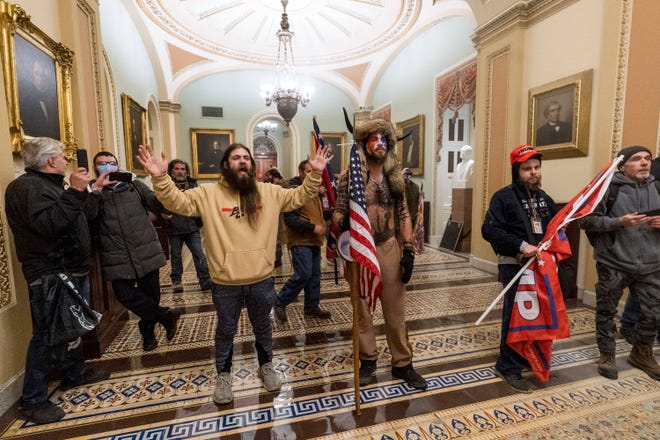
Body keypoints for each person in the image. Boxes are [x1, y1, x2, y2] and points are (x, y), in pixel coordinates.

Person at [136, 142, 332, 405]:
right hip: (225, 282)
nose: (243, 161)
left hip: (261, 279)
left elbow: (299, 195)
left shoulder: (270, 193)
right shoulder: (207, 194)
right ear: (226, 165)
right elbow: (176, 202)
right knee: (226, 329)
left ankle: (266, 366)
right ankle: (224, 375)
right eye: (236, 157)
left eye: (246, 158)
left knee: (263, 326)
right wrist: (160, 177)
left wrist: (316, 173)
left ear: (251, 165)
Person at [5, 137, 109, 424]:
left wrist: (90, 191)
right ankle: (33, 400)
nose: (66, 160)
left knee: (72, 328)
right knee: (45, 336)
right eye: (63, 156)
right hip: (50, 274)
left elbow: (79, 217)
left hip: (71, 270)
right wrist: (75, 192)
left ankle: (74, 374)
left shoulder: (52, 186)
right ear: (50, 160)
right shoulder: (26, 187)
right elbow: (49, 225)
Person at [333, 119, 427, 390]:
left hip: (388, 247)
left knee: (395, 310)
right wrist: (339, 222)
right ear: (363, 144)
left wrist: (408, 250)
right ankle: (368, 359)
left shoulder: (395, 177)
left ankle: (402, 364)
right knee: (362, 310)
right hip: (360, 250)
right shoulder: (348, 177)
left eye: (384, 139)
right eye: (374, 139)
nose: (380, 144)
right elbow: (339, 212)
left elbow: (404, 214)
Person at [83, 151, 180, 352]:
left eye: (111, 163)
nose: (107, 166)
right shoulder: (91, 191)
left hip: (145, 249)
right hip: (116, 254)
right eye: (101, 163)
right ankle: (165, 315)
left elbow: (156, 203)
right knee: (125, 295)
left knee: (151, 296)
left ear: (118, 166)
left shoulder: (134, 186)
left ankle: (148, 335)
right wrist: (97, 190)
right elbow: (89, 216)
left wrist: (164, 189)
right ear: (95, 168)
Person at [578, 146, 660, 381]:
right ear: (623, 165)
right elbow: (585, 220)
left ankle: (642, 354)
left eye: (647, 159)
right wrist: (618, 222)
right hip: (614, 261)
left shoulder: (658, 187)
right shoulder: (607, 188)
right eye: (637, 159)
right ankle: (607, 355)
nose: (644, 163)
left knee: (653, 313)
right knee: (606, 311)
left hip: (652, 264)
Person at [481, 144, 558, 393]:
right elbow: (490, 230)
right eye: (527, 169)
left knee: (537, 315)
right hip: (514, 265)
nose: (533, 173)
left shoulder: (544, 199)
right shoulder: (503, 197)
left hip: (540, 268)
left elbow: (555, 228)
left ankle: (527, 355)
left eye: (537, 168)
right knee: (516, 317)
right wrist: (522, 245)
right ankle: (507, 366)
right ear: (517, 170)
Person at [274, 160, 332, 323]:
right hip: (300, 241)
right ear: (301, 172)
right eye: (308, 171)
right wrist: (313, 227)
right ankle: (280, 301)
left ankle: (311, 307)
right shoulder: (295, 191)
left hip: (314, 241)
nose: (313, 175)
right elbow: (290, 219)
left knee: (314, 275)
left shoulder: (314, 192)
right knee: (304, 273)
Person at [619, 155, 660, 344]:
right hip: (643, 242)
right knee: (641, 288)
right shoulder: (656, 167)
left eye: (646, 159)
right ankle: (628, 324)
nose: (644, 162)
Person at [164, 159, 212, 293]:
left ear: (186, 171)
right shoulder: (168, 185)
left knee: (199, 254)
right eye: (177, 169)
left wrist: (199, 221)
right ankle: (177, 281)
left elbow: (200, 203)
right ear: (171, 171)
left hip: (191, 226)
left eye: (182, 169)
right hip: (174, 227)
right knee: (176, 256)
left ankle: (205, 279)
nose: (180, 171)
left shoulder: (192, 184)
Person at [18, 58, 60, 139]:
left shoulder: (54, 100)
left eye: (43, 74)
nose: (40, 78)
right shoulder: (27, 102)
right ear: (32, 76)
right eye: (36, 73)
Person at [264, 167, 286, 267]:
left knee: (277, 238)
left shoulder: (282, 185)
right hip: (277, 215)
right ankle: (276, 258)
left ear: (274, 175)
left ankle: (277, 259)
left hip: (281, 217)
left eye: (269, 176)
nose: (267, 178)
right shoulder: (275, 184)